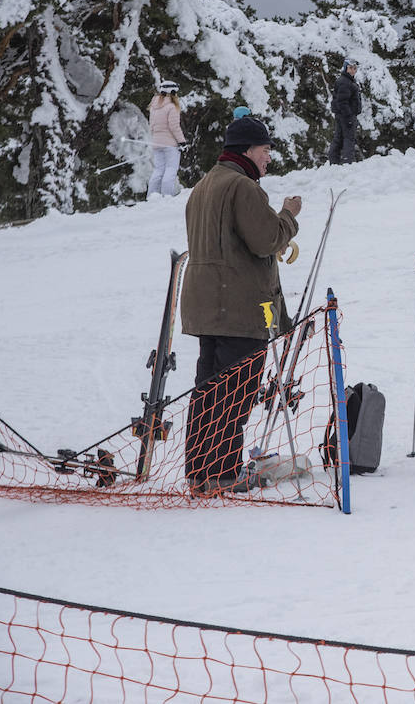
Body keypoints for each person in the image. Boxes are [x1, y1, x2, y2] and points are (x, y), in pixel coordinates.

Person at [181, 116, 302, 495]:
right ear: (248, 150)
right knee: (235, 393)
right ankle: (223, 474)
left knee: (208, 391)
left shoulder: (203, 185)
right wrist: (288, 216)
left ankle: (201, 471)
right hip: (236, 308)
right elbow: (265, 240)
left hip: (206, 306)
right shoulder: (242, 187)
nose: (268, 158)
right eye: (265, 150)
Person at [147, 80, 187, 198]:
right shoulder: (171, 107)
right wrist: (182, 142)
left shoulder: (154, 107)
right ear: (173, 92)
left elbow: (151, 126)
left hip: (156, 143)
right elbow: (174, 126)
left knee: (158, 170)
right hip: (170, 145)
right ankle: (167, 197)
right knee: (170, 169)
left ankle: (151, 197)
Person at [328, 58, 362, 164]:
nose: (353, 70)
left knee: (339, 138)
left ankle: (334, 162)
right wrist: (348, 117)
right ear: (345, 68)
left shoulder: (346, 80)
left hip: (342, 115)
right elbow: (342, 102)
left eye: (354, 68)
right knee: (348, 139)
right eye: (350, 68)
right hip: (346, 115)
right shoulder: (345, 82)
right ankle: (348, 163)